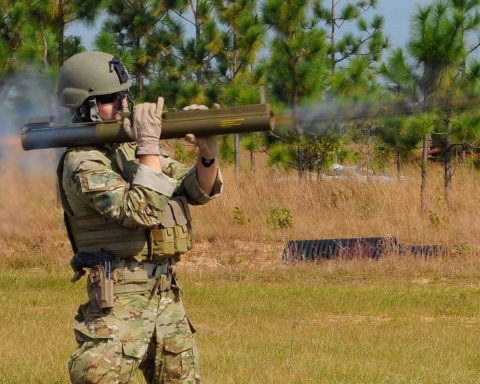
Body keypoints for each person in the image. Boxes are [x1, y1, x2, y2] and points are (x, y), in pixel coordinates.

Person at [56, 50, 223, 383]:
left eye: (124, 96)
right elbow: (141, 211)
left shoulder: (132, 150)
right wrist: (148, 144)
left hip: (166, 295)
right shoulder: (82, 163)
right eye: (109, 100)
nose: (123, 106)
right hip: (117, 303)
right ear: (84, 105)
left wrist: (208, 153)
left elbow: (194, 190)